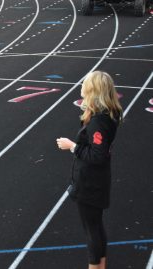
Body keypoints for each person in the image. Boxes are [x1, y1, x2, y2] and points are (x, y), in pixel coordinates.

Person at [57, 71, 123, 269]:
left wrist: (72, 146)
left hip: (90, 183)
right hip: (97, 180)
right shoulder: (107, 115)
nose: (82, 87)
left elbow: (97, 155)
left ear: (93, 90)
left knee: (91, 229)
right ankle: (101, 265)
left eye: (85, 84)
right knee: (96, 226)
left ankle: (95, 266)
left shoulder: (98, 122)